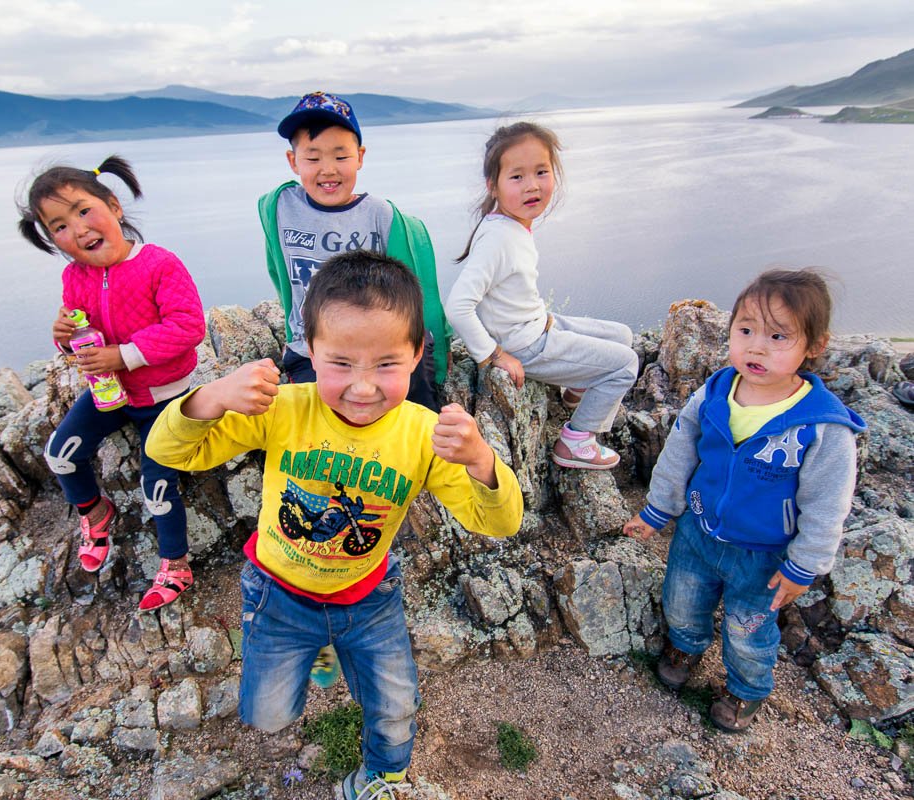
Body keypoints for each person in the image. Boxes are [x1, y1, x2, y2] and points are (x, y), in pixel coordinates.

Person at [146, 251, 523, 799]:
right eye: (341, 363)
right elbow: (170, 452)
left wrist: (482, 461)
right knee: (268, 715)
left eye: (386, 364)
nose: (363, 387)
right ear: (309, 350)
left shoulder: (424, 434)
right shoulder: (284, 409)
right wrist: (211, 397)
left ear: (417, 354)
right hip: (277, 594)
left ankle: (381, 778)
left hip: (369, 597)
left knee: (396, 708)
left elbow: (499, 522)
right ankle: (319, 651)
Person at [623, 268, 865, 732]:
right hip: (697, 533)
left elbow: (827, 503)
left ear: (814, 346)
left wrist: (804, 566)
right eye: (746, 330)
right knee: (682, 601)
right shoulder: (715, 394)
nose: (757, 347)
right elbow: (679, 452)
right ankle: (686, 647)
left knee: (748, 629)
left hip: (763, 554)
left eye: (778, 336)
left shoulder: (822, 426)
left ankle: (746, 690)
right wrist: (658, 510)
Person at [17, 155, 206, 611]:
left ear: (114, 206)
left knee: (156, 486)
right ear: (52, 240)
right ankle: (95, 511)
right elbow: (82, 336)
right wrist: (64, 338)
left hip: (163, 396)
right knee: (60, 454)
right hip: (109, 393)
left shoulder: (159, 264)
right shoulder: (74, 277)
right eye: (60, 226)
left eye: (84, 211)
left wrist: (123, 354)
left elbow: (188, 326)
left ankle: (176, 563)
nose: (78, 229)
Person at [445, 122, 638, 469]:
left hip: (538, 324)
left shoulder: (510, 225)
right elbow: (458, 307)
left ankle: (576, 389)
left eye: (541, 171)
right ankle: (576, 441)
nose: (532, 185)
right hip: (527, 345)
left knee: (623, 335)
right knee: (626, 364)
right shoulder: (499, 239)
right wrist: (494, 355)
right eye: (517, 176)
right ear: (493, 185)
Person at [259, 90, 452, 411]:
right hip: (316, 349)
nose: (328, 169)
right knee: (317, 416)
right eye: (313, 158)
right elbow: (279, 272)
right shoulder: (280, 208)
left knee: (414, 412)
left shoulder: (380, 216)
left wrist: (436, 351)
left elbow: (414, 293)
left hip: (381, 345)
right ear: (293, 161)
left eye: (341, 156)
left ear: (360, 156)